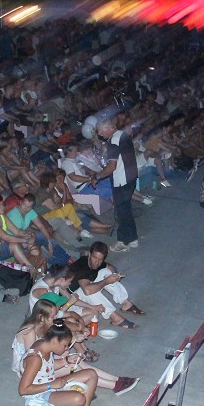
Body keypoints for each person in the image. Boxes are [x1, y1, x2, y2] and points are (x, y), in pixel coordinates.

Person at [17, 320, 99, 406]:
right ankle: (77, 403)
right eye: (65, 345)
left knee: (91, 374)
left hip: (51, 383)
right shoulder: (35, 359)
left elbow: (47, 367)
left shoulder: (45, 344)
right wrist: (51, 385)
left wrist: (66, 360)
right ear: (55, 341)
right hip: (39, 394)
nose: (66, 348)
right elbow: (23, 390)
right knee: (79, 399)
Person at [69, 241, 144, 329]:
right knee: (90, 290)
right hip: (71, 300)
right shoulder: (81, 265)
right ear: (89, 254)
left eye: (100, 259)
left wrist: (115, 275)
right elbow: (87, 290)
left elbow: (110, 267)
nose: (96, 262)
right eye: (94, 257)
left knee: (106, 272)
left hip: (82, 293)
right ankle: (114, 317)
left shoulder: (97, 263)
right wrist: (107, 281)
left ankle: (125, 303)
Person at [95, 117, 140, 251]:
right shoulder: (123, 135)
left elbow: (112, 166)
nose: (100, 135)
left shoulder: (113, 140)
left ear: (108, 128)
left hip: (122, 179)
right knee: (125, 209)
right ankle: (133, 239)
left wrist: (97, 176)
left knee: (121, 212)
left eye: (101, 132)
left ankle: (123, 241)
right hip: (131, 175)